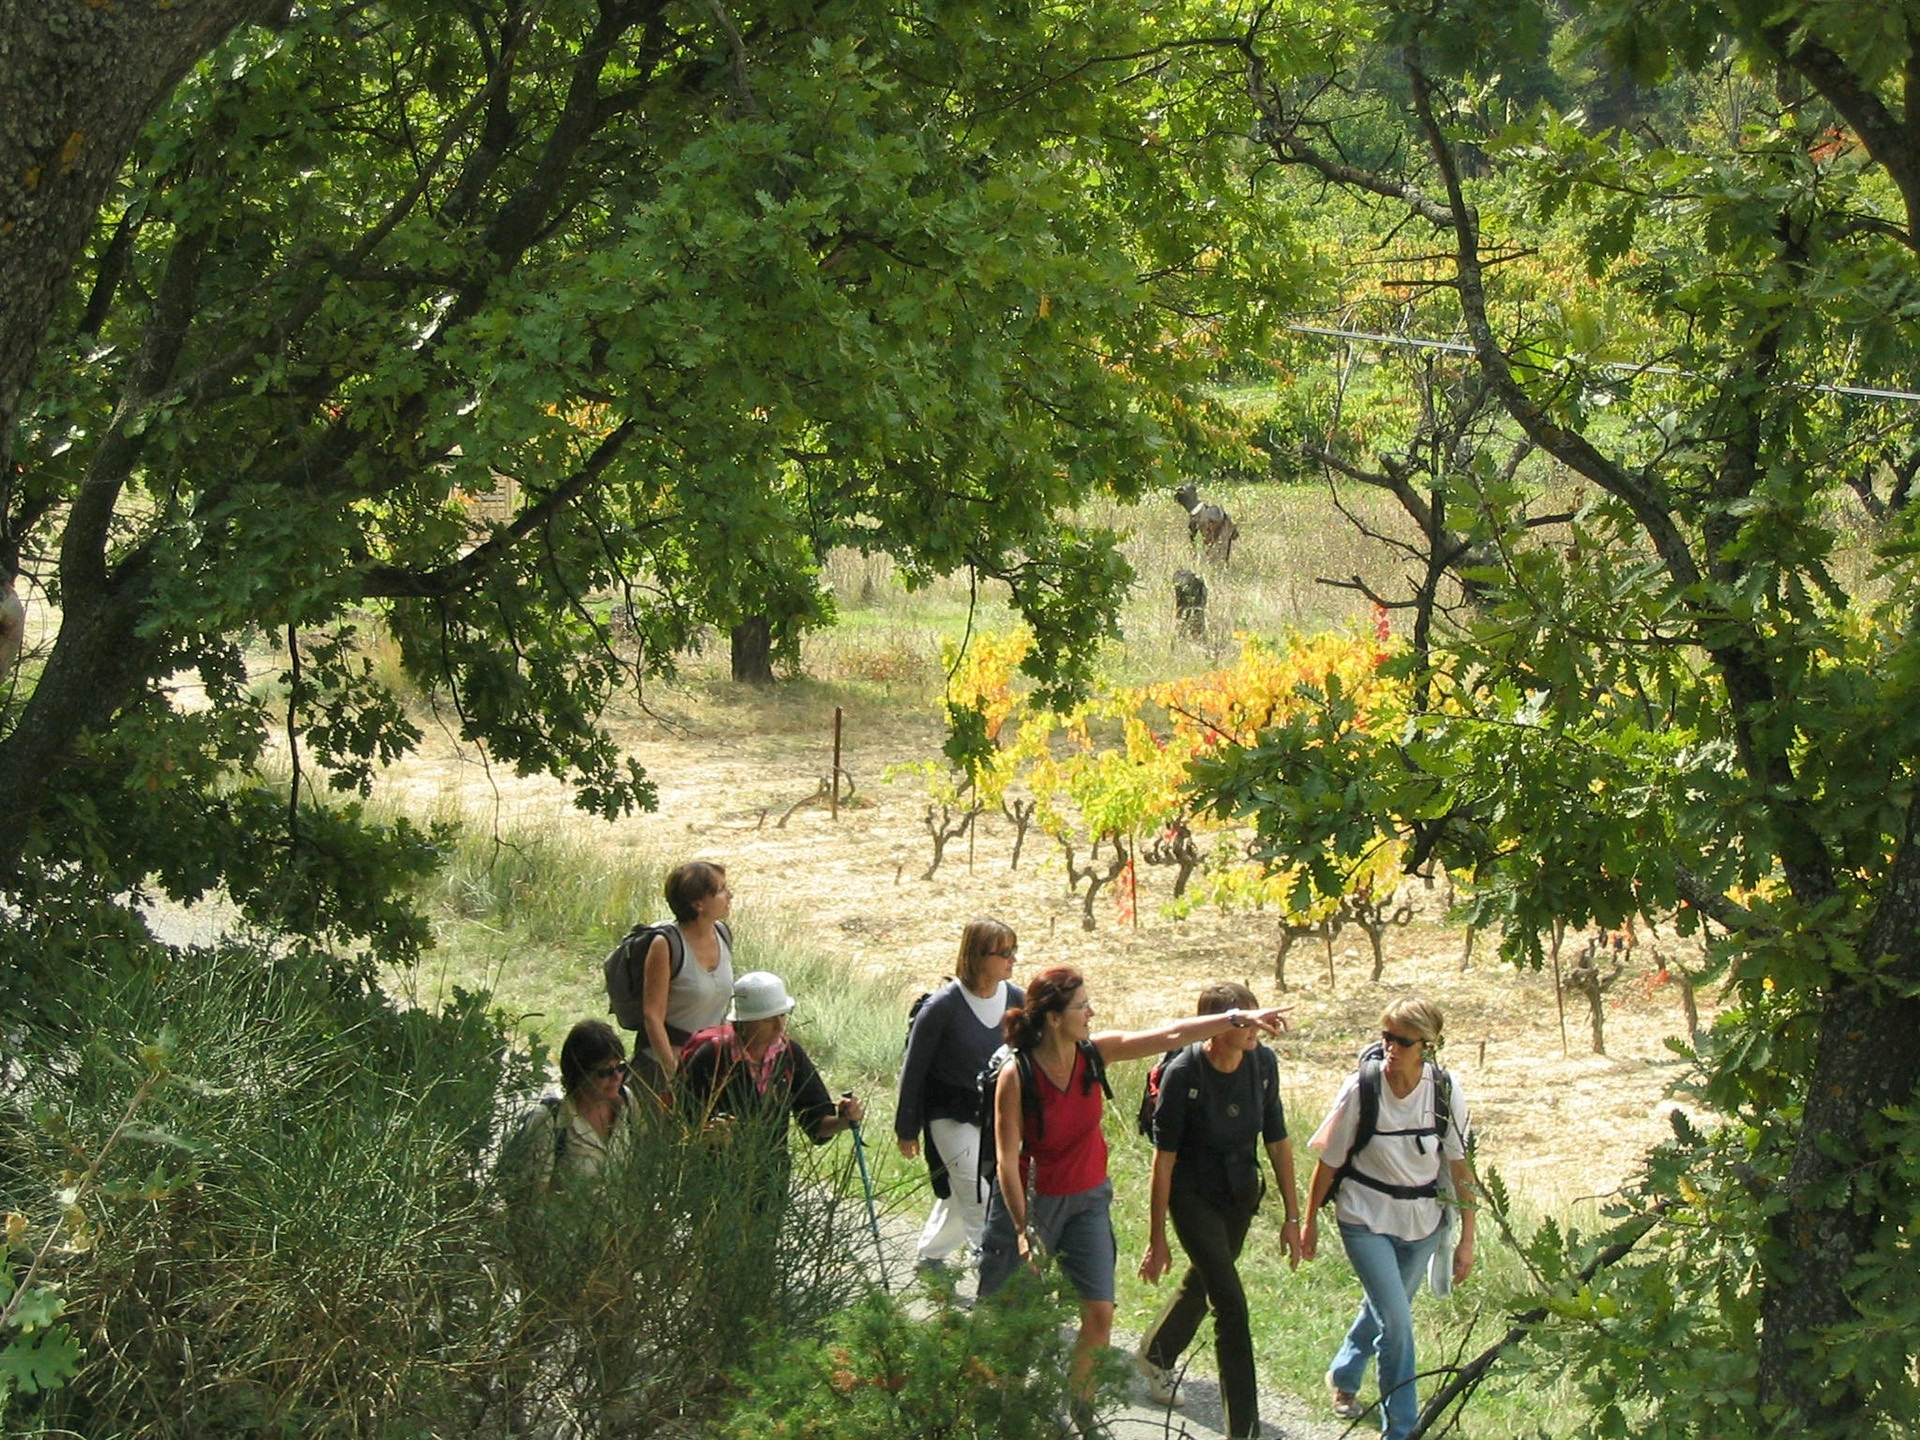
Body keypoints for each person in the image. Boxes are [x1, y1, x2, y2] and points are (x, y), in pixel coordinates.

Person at [977, 965, 1288, 1435]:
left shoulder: (1094, 1054)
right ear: (1055, 1018)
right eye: (1082, 1006)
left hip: (1087, 1200)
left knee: (1099, 1312)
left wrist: (1236, 1018)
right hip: (1032, 1203)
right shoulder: (1016, 1075)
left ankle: (1080, 1410)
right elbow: (1006, 1159)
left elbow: (1173, 1033)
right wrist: (1022, 1229)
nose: (1091, 1012)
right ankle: (1002, 1413)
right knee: (1013, 1318)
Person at [1136, 983, 1302, 1439]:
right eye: (1244, 1020)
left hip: (1239, 1193)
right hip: (1192, 1197)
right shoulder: (1184, 1074)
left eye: (1255, 1018)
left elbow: (1278, 1141)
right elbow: (1163, 1161)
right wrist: (1156, 1238)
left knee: (1208, 1278)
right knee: (1231, 1306)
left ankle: (1156, 1352)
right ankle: (1243, 1430)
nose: (1255, 1028)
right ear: (1214, 1027)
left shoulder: (1262, 1064)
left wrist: (1293, 1218)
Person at [1304, 997, 1474, 1440]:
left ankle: (1344, 1374)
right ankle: (1400, 1428)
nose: (1391, 1047)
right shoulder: (1362, 1088)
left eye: (1402, 1040)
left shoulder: (1444, 1092)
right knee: (1397, 1323)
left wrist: (1467, 1239)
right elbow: (1329, 1162)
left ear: (1427, 1046)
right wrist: (1306, 1222)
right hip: (1363, 1216)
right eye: (1386, 1037)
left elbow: (1461, 1168)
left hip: (1422, 1224)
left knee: (1386, 1307)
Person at [894, 917, 1024, 1272]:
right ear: (978, 956)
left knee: (962, 1190)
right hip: (949, 1114)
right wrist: (907, 1128)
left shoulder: (1017, 1000)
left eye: (1014, 950)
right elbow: (914, 1070)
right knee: (978, 1193)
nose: (1013, 959)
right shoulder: (941, 1007)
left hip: (996, 1115)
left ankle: (931, 1253)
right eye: (1004, 953)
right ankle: (994, 1272)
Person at [676, 970, 865, 1197]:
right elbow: (679, 1125)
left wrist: (845, 1121)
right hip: (714, 1185)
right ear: (743, 1023)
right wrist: (708, 1135)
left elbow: (816, 1125)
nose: (779, 1026)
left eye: (782, 1016)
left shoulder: (790, 1054)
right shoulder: (711, 1057)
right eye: (767, 1019)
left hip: (771, 1184)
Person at [631, 860, 734, 1095]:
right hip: (662, 1068)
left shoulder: (723, 934)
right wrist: (673, 1073)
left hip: (708, 1064)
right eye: (721, 890)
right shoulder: (666, 945)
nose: (730, 895)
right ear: (698, 904)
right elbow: (652, 1016)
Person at [503, 1019, 639, 1196]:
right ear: (580, 1073)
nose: (616, 1077)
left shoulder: (627, 1102)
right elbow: (534, 1197)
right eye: (605, 1072)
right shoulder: (551, 1119)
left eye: (620, 1067)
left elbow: (638, 1170)